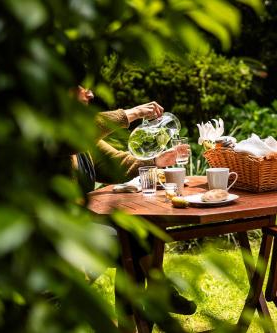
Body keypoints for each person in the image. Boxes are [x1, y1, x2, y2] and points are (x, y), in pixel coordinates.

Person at [73, 87, 196, 330]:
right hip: (63, 233)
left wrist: (156, 161)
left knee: (138, 230)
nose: (90, 94)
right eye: (81, 88)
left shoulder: (83, 141)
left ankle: (135, 319)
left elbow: (118, 163)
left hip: (85, 220)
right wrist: (133, 113)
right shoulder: (59, 136)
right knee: (131, 240)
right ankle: (156, 295)